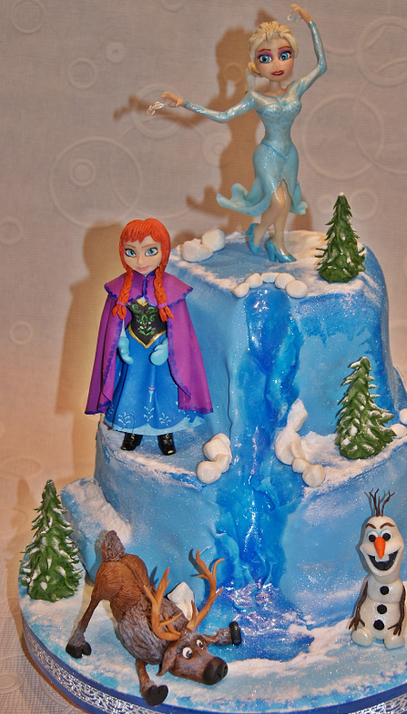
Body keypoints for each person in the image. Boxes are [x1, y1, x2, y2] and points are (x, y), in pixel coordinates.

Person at [162, 4, 326, 262]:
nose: (276, 64)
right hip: (267, 153)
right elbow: (224, 115)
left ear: (293, 55)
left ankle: (278, 243)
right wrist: (186, 104)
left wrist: (309, 22)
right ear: (256, 64)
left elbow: (322, 65)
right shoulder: (255, 98)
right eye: (266, 58)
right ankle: (259, 231)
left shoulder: (296, 88)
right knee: (278, 201)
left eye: (284, 55)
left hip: (289, 152)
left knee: (285, 202)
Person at [86, 218, 212, 455]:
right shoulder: (120, 288)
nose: (140, 261)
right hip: (134, 349)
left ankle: (166, 434)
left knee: (165, 390)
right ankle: (132, 430)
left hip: (162, 351)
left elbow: (181, 328)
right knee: (132, 387)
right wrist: (121, 342)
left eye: (150, 251)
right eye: (131, 252)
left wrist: (168, 346)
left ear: (163, 251)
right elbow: (114, 323)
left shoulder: (172, 287)